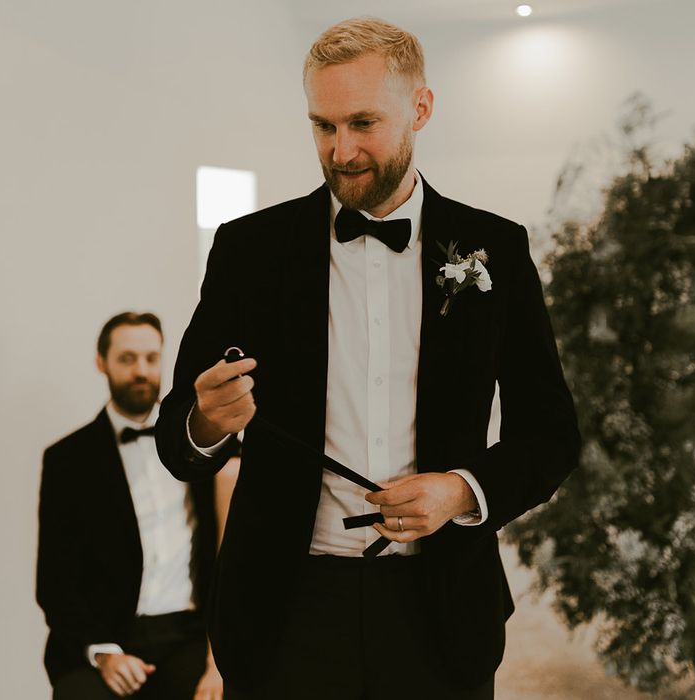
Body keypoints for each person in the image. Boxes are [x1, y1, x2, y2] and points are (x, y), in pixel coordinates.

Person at [155, 17, 581, 700]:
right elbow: (180, 436)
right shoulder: (250, 251)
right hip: (283, 613)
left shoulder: (493, 248)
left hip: (439, 609)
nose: (341, 150)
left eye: (362, 123)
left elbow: (552, 431)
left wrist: (462, 491)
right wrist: (206, 422)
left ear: (421, 108)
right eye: (322, 126)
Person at [37, 312, 237, 700]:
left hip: (189, 638)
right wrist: (104, 653)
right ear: (102, 363)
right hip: (108, 638)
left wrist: (217, 662)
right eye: (127, 359)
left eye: (150, 358)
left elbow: (232, 554)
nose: (141, 370)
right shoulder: (67, 460)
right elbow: (55, 581)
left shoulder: (200, 447)